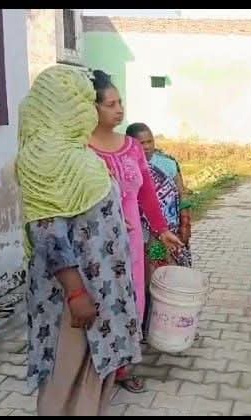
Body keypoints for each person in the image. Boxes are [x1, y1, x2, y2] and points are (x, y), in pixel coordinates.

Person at [16, 65, 143, 415]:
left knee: (94, 371)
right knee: (67, 373)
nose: (89, 109)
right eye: (84, 101)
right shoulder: (46, 158)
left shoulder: (75, 153)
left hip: (103, 285)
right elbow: (47, 231)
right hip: (74, 293)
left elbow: (87, 212)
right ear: (62, 104)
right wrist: (76, 293)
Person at [88, 70, 183, 394]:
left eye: (120, 102)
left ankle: (124, 366)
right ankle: (95, 368)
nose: (119, 110)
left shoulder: (131, 147)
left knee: (133, 298)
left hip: (132, 239)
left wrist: (161, 229)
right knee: (102, 300)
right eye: (111, 104)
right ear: (92, 108)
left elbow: (146, 195)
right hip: (97, 241)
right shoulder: (81, 149)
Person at [126, 122, 194, 340]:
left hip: (170, 233)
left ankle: (173, 321)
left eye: (150, 141)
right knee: (148, 278)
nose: (146, 147)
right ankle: (147, 324)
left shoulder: (168, 164)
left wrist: (185, 224)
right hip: (144, 236)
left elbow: (182, 195)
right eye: (141, 143)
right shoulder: (127, 167)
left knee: (170, 275)